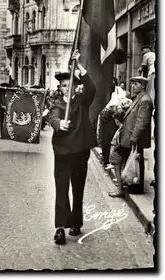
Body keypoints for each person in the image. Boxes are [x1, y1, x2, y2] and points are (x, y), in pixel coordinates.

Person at [48, 50, 96, 245]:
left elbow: (91, 88)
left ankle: (76, 223)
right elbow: (52, 118)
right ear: (60, 88)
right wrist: (59, 124)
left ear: (75, 88)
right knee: (61, 188)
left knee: (78, 188)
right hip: (62, 152)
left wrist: (80, 65)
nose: (67, 88)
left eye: (70, 85)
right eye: (64, 86)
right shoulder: (56, 104)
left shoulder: (81, 102)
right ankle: (60, 228)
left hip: (80, 152)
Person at [108, 76, 153, 197]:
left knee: (122, 161)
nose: (132, 86)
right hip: (127, 137)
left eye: (135, 84)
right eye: (132, 84)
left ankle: (121, 189)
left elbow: (141, 122)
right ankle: (123, 186)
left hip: (134, 139)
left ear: (143, 86)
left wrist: (134, 138)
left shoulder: (145, 100)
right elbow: (131, 115)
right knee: (121, 162)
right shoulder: (138, 98)